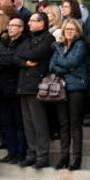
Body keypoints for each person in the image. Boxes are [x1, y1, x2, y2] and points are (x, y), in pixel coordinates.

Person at [49, 18, 90, 170]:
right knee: (63, 124)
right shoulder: (59, 45)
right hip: (61, 87)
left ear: (77, 31)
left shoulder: (81, 44)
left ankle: (76, 158)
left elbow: (73, 62)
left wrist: (63, 66)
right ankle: (63, 156)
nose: (70, 32)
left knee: (75, 124)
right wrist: (65, 68)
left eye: (72, 29)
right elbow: (52, 66)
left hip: (76, 87)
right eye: (67, 30)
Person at [16, 13, 56, 169]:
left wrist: (23, 58)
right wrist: (25, 62)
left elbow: (35, 54)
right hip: (24, 85)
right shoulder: (28, 38)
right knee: (28, 124)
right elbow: (16, 55)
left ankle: (42, 155)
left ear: (42, 23)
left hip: (37, 85)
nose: (29, 24)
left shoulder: (48, 39)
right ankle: (31, 153)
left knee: (39, 123)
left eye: (33, 21)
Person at [0, 17, 28, 164]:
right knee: (6, 123)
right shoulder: (4, 41)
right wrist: (5, 58)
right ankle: (11, 152)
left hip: (15, 88)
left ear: (21, 28)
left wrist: (3, 58)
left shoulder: (24, 42)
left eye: (15, 25)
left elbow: (15, 59)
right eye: (10, 25)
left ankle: (21, 153)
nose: (11, 28)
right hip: (0, 88)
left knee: (18, 123)